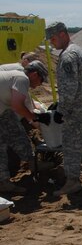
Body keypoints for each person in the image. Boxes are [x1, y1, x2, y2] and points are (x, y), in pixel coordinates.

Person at [44, 21, 82, 197]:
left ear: (62, 35)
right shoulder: (79, 50)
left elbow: (69, 88)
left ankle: (72, 182)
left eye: (53, 39)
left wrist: (62, 110)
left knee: (71, 145)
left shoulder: (68, 56)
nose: (52, 44)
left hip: (76, 110)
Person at [0, 61, 47, 193]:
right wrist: (34, 118)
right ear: (34, 75)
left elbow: (25, 105)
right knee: (1, 144)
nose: (40, 84)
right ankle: (3, 182)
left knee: (18, 133)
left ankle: (33, 163)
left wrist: (34, 120)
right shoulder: (22, 79)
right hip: (3, 108)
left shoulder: (19, 78)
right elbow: (17, 106)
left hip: (3, 109)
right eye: (41, 80)